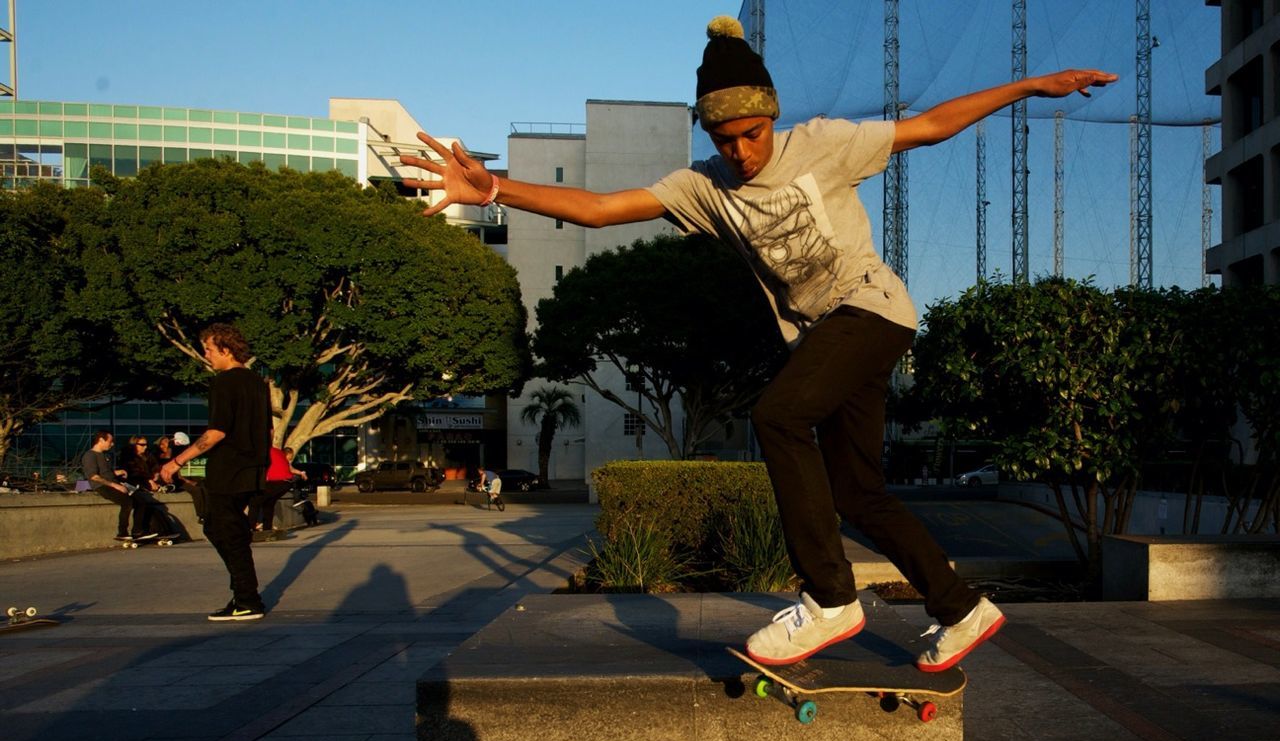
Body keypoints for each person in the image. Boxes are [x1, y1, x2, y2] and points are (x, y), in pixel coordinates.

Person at [399, 17, 1116, 672]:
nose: (742, 153)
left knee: (778, 416)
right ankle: (960, 608)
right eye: (726, 141)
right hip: (826, 339)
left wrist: (1030, 85)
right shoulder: (706, 189)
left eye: (753, 135)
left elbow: (929, 127)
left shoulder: (825, 144)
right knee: (860, 494)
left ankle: (830, 600)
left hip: (872, 309)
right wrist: (493, 187)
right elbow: (599, 208)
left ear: (771, 118)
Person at [160, 324, 271, 622]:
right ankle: (243, 596)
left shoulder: (224, 383)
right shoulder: (258, 383)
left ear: (226, 349)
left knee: (224, 530)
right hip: (253, 467)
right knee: (226, 529)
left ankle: (248, 599)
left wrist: (176, 461)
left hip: (229, 468)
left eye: (208, 349)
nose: (205, 355)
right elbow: (267, 429)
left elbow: (215, 433)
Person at [81, 430, 157, 542]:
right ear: (101, 440)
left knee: (141, 502)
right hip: (102, 486)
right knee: (127, 502)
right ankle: (122, 532)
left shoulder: (104, 455)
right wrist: (115, 486)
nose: (112, 444)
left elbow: (107, 473)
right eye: (110, 441)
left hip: (115, 483)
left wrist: (119, 472)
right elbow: (94, 476)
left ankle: (137, 531)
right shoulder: (90, 455)